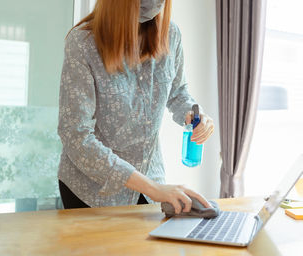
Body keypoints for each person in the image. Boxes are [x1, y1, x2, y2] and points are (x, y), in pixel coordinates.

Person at [57, 0, 214, 214]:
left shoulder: (171, 35)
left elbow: (178, 92)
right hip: (93, 192)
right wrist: (152, 187)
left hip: (152, 184)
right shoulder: (83, 43)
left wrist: (194, 114)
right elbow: (76, 136)